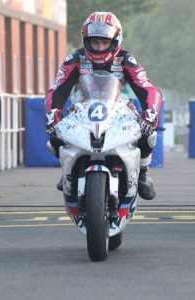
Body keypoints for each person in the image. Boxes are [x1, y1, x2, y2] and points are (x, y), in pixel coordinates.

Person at [45, 11, 162, 200]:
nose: (99, 48)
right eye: (95, 42)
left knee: (148, 133)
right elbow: (57, 89)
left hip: (119, 108)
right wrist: (53, 114)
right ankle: (69, 169)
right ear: (86, 40)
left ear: (115, 41)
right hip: (82, 107)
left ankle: (142, 173)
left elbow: (147, 89)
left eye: (104, 42)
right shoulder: (74, 59)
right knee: (55, 136)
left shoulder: (126, 60)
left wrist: (150, 114)